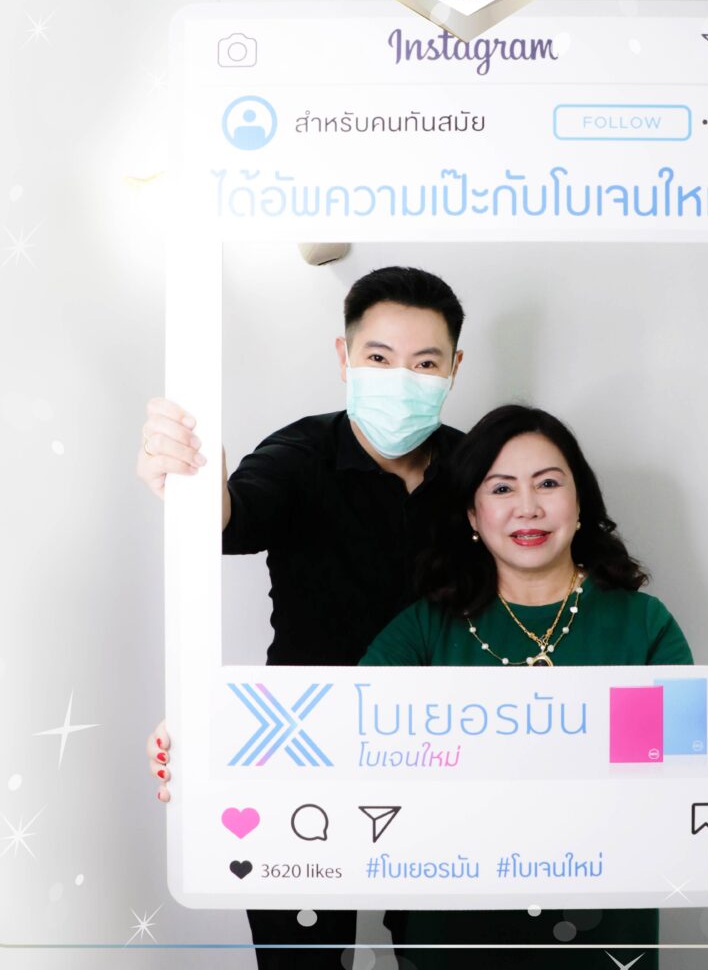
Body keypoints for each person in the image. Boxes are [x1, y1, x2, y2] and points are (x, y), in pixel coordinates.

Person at [138, 266, 466, 968]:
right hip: (302, 750)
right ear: (344, 358)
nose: (401, 378)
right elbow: (233, 518)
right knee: (302, 961)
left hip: (448, 752)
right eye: (378, 357)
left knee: (447, 954)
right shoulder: (301, 453)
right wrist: (190, 481)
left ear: (453, 369)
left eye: (424, 363)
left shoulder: (480, 469)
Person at [359, 404, 694, 969]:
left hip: (604, 926)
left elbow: (681, 776)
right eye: (502, 488)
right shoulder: (422, 629)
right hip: (456, 926)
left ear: (580, 502)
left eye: (548, 483)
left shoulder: (642, 626)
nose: (528, 507)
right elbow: (348, 747)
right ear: (473, 513)